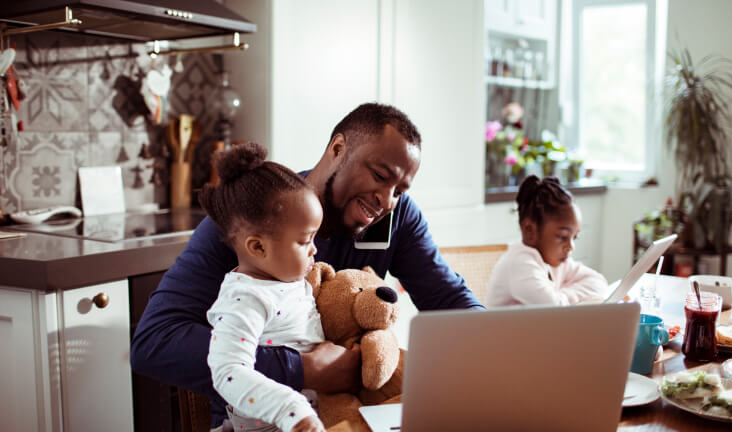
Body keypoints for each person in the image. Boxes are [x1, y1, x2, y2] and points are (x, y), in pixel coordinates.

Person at [131, 103, 484, 431]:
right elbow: (155, 343)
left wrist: (503, 349)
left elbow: (447, 298)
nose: (387, 200)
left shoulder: (398, 219)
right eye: (379, 175)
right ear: (338, 149)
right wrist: (302, 369)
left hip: (347, 414)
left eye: (400, 190)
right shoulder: (253, 221)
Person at [200, 143, 326, 432]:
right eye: (305, 240)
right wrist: (292, 411)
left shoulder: (289, 282)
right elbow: (228, 372)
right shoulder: (245, 298)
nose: (314, 249)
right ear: (257, 247)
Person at [486, 175, 609, 306]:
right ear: (529, 230)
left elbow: (599, 282)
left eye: (574, 238)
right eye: (562, 237)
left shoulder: (556, 261)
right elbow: (554, 307)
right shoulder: (519, 263)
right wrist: (563, 297)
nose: (571, 246)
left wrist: (563, 295)